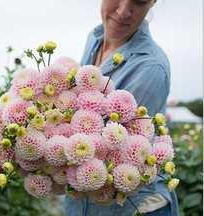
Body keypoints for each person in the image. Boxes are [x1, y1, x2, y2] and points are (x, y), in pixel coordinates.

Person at [64, 0, 179, 215]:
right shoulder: (96, 37)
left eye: (139, 1)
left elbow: (114, 151)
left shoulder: (151, 67)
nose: (123, 11)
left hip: (131, 208)